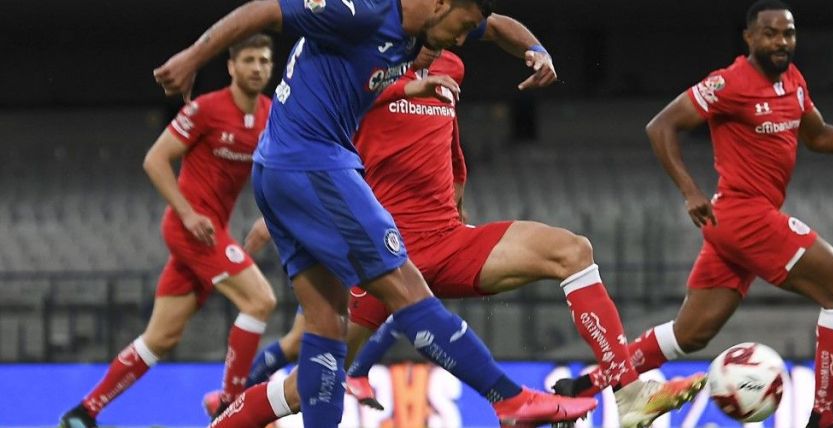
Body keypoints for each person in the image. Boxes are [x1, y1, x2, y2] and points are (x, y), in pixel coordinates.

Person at [153, 0, 598, 426]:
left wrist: (533, 49)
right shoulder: (362, 10)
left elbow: (495, 27)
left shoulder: (430, 20)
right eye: (462, 28)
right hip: (315, 163)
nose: (461, 40)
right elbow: (266, 10)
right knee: (407, 289)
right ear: (440, 4)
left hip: (279, 168)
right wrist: (194, 58)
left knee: (327, 327)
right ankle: (509, 400)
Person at [207, 51, 705, 428]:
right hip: (380, 257)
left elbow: (449, 145)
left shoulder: (451, 66)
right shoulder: (362, 64)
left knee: (571, 250)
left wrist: (458, 193)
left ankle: (628, 391)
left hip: (445, 240)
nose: (459, 33)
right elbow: (311, 140)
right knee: (308, 385)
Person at [550, 2, 833, 427]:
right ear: (750, 37)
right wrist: (690, 190)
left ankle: (581, 387)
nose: (781, 41)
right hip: (744, 216)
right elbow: (660, 126)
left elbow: (817, 136)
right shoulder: (729, 83)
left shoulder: (793, 80)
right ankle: (823, 418)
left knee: (689, 335)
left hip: (736, 226)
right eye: (771, 33)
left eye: (788, 33)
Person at [59, 34, 279, 428]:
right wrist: (188, 214)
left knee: (160, 338)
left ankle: (83, 412)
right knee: (260, 300)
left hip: (212, 233)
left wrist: (272, 219)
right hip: (189, 229)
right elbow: (155, 160)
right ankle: (230, 406)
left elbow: (285, 172)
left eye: (264, 60)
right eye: (249, 60)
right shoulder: (206, 109)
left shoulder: (272, 116)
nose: (257, 67)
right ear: (231, 67)